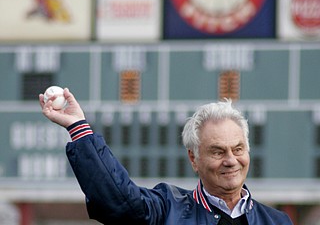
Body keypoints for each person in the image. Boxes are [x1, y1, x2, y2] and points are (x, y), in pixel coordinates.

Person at [39, 88, 293, 225]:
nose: (231, 160)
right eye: (217, 151)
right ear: (194, 159)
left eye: (238, 149)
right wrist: (78, 127)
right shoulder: (165, 210)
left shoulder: (277, 221)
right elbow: (117, 201)